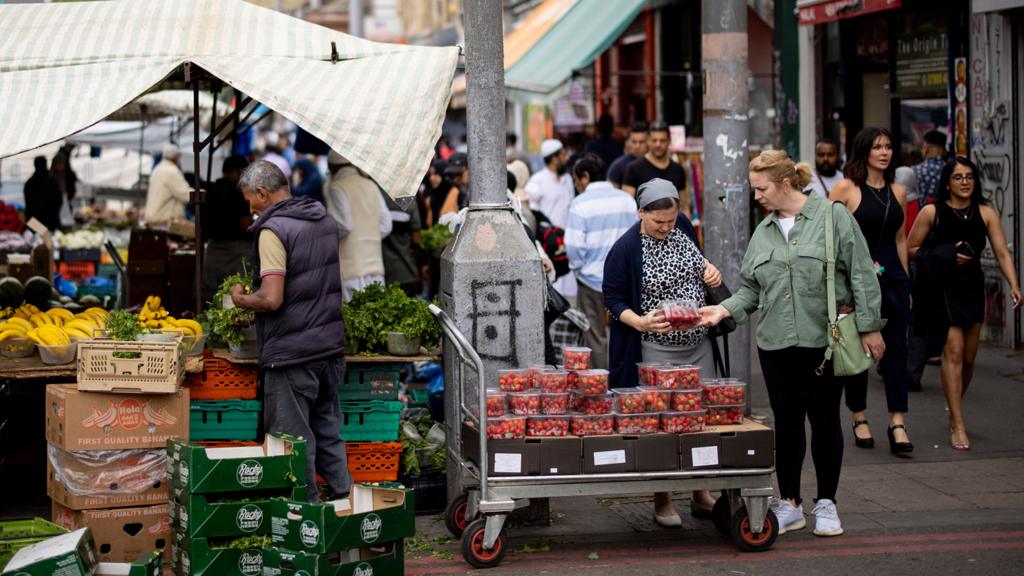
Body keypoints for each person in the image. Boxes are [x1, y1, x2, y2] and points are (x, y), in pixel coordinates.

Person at [698, 150, 884, 537]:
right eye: (754, 189)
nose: (757, 196)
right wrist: (723, 311)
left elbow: (863, 274)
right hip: (776, 343)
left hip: (825, 341)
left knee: (826, 420)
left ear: (785, 184)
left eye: (761, 188)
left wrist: (870, 327)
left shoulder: (833, 218)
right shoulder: (763, 231)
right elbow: (751, 287)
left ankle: (827, 504)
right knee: (786, 423)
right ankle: (791, 504)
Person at [603, 177, 723, 525]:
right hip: (656, 350)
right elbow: (611, 298)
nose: (666, 227)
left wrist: (709, 269)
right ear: (641, 213)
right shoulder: (626, 248)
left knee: (696, 419)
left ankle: (701, 494)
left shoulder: (682, 226)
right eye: (659, 222)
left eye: (671, 220)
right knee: (663, 425)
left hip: (697, 345)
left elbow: (696, 263)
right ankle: (663, 499)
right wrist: (639, 322)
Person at [230, 160, 350, 503]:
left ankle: (307, 515)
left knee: (293, 442)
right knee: (328, 433)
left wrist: (241, 299)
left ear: (263, 193)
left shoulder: (274, 230)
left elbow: (271, 298)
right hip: (328, 348)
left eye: (250, 200)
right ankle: (345, 507)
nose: (250, 208)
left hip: (291, 355)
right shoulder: (323, 220)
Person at [907, 157, 1021, 451]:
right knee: (953, 351)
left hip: (971, 287)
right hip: (941, 289)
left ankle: (954, 404)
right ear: (947, 182)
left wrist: (1014, 285)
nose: (965, 182)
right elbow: (912, 248)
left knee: (969, 359)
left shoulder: (986, 212)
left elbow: (1002, 253)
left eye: (969, 177)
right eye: (958, 177)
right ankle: (958, 423)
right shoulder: (933, 211)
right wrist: (945, 254)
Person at [830, 127, 913, 455]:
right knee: (860, 349)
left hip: (893, 276)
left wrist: (905, 281)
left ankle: (898, 421)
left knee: (897, 351)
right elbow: (831, 237)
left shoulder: (899, 190)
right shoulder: (846, 189)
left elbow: (900, 239)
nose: (884, 152)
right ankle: (859, 415)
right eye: (877, 146)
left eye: (889, 146)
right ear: (863, 150)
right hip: (858, 279)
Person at [564, 154, 638, 370]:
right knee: (627, 331)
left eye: (576, 180)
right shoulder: (626, 200)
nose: (577, 185)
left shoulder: (579, 204)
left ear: (585, 177)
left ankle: (599, 385)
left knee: (594, 336)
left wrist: (580, 269)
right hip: (624, 280)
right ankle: (625, 383)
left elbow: (574, 246)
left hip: (591, 280)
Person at [323, 150, 392, 301]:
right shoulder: (371, 186)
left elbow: (342, 225)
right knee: (376, 315)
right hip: (375, 266)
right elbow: (386, 224)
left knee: (353, 318)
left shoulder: (337, 187)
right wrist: (367, 236)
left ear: (332, 167)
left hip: (350, 268)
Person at [203, 155, 253, 302]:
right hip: (237, 252)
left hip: (213, 251)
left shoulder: (211, 188)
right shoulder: (239, 192)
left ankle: (210, 323)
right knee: (233, 298)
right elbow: (246, 224)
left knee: (212, 297)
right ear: (239, 171)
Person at [622, 121, 690, 217]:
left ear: (669, 141)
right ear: (648, 141)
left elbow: (683, 206)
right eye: (654, 140)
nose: (658, 144)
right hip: (643, 228)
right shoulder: (634, 168)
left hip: (673, 228)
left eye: (662, 140)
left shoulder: (678, 170)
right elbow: (627, 206)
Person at [381, 192, 422, 297]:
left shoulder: (375, 193)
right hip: (404, 270)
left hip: (378, 270)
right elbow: (416, 238)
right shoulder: (407, 199)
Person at [525, 139, 574, 228]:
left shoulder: (568, 179)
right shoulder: (537, 180)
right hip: (548, 237)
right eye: (563, 155)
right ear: (554, 159)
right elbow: (532, 212)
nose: (567, 158)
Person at [145, 143, 192, 222]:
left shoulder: (157, 169)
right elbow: (185, 194)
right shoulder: (172, 171)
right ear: (176, 157)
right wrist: (202, 193)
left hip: (153, 218)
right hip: (164, 220)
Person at [23, 156, 62, 232]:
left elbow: (28, 204)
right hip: (51, 222)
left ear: (35, 165)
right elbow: (59, 200)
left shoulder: (29, 183)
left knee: (36, 243)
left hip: (34, 224)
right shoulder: (52, 182)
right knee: (50, 242)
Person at [607, 121, 648, 189]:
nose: (637, 146)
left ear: (648, 142)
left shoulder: (655, 163)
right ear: (628, 142)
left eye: (641, 142)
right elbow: (612, 194)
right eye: (634, 142)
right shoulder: (618, 166)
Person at [911, 130, 948, 207]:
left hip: (920, 216)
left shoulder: (914, 171)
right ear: (945, 151)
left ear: (926, 148)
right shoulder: (951, 170)